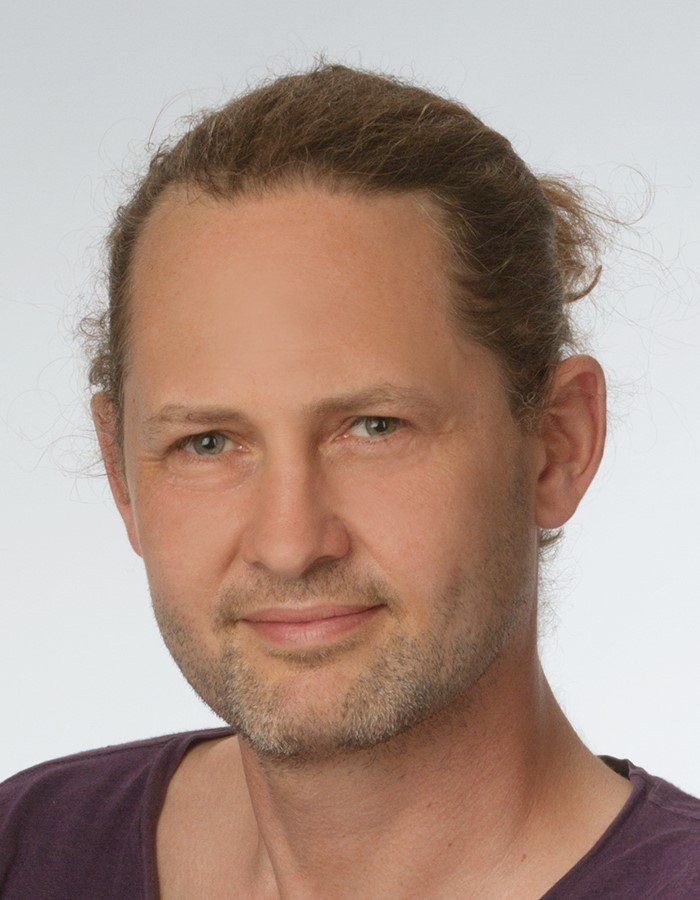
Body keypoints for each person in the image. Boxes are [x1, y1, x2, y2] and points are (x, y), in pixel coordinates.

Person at [1, 61, 698, 899]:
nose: (290, 545)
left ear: (556, 444)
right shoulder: (27, 850)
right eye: (208, 443)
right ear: (122, 475)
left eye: (374, 428)